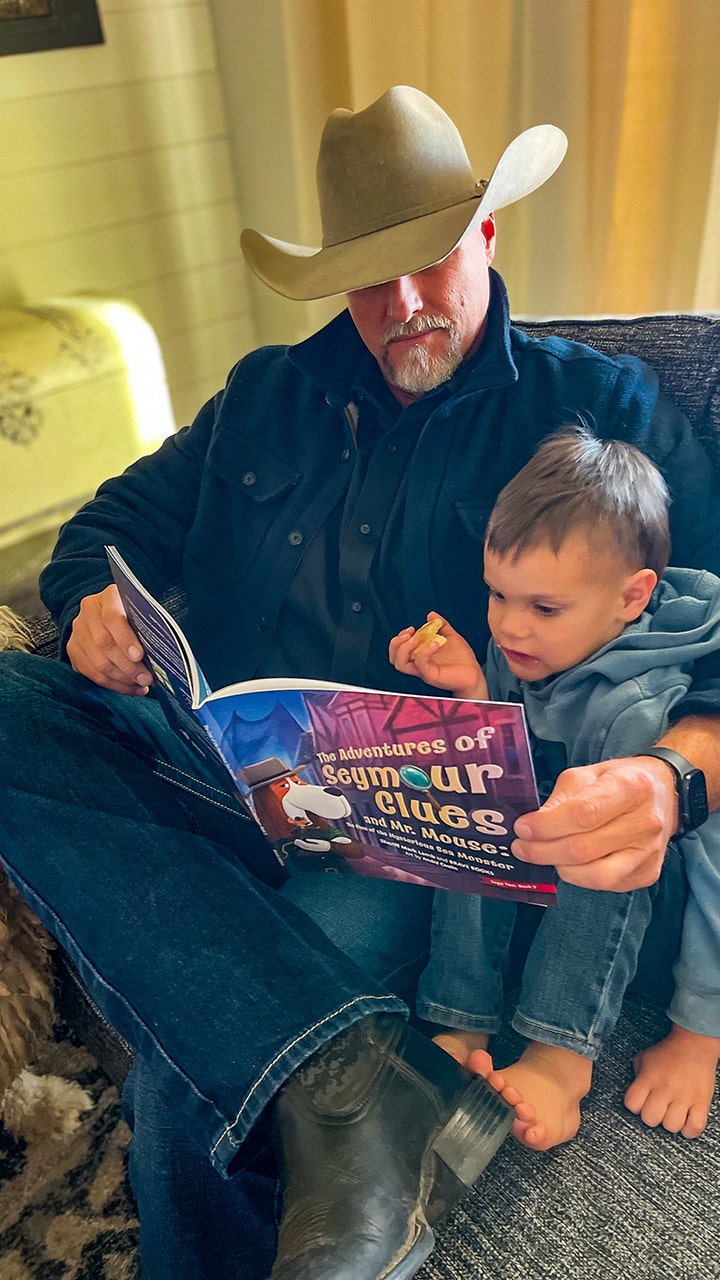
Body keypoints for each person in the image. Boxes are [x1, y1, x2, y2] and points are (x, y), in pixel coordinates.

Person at [1, 84, 720, 1280]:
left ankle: (321, 1074)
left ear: (485, 237)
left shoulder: (598, 410)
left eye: (432, 260)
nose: (407, 305)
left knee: (201, 1060)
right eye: (372, 275)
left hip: (417, 836)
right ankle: (349, 1069)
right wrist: (89, 609)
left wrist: (675, 780)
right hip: (220, 764)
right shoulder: (264, 395)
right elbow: (107, 529)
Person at [388, 428, 720, 1150]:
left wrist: (699, 1037)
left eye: (542, 608)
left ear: (632, 598)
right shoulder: (527, 645)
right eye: (496, 594)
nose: (508, 624)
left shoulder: (652, 710)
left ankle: (560, 1056)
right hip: (541, 879)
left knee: (599, 840)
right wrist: (470, 691)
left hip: (652, 913)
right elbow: (518, 762)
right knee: (470, 807)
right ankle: (461, 1017)